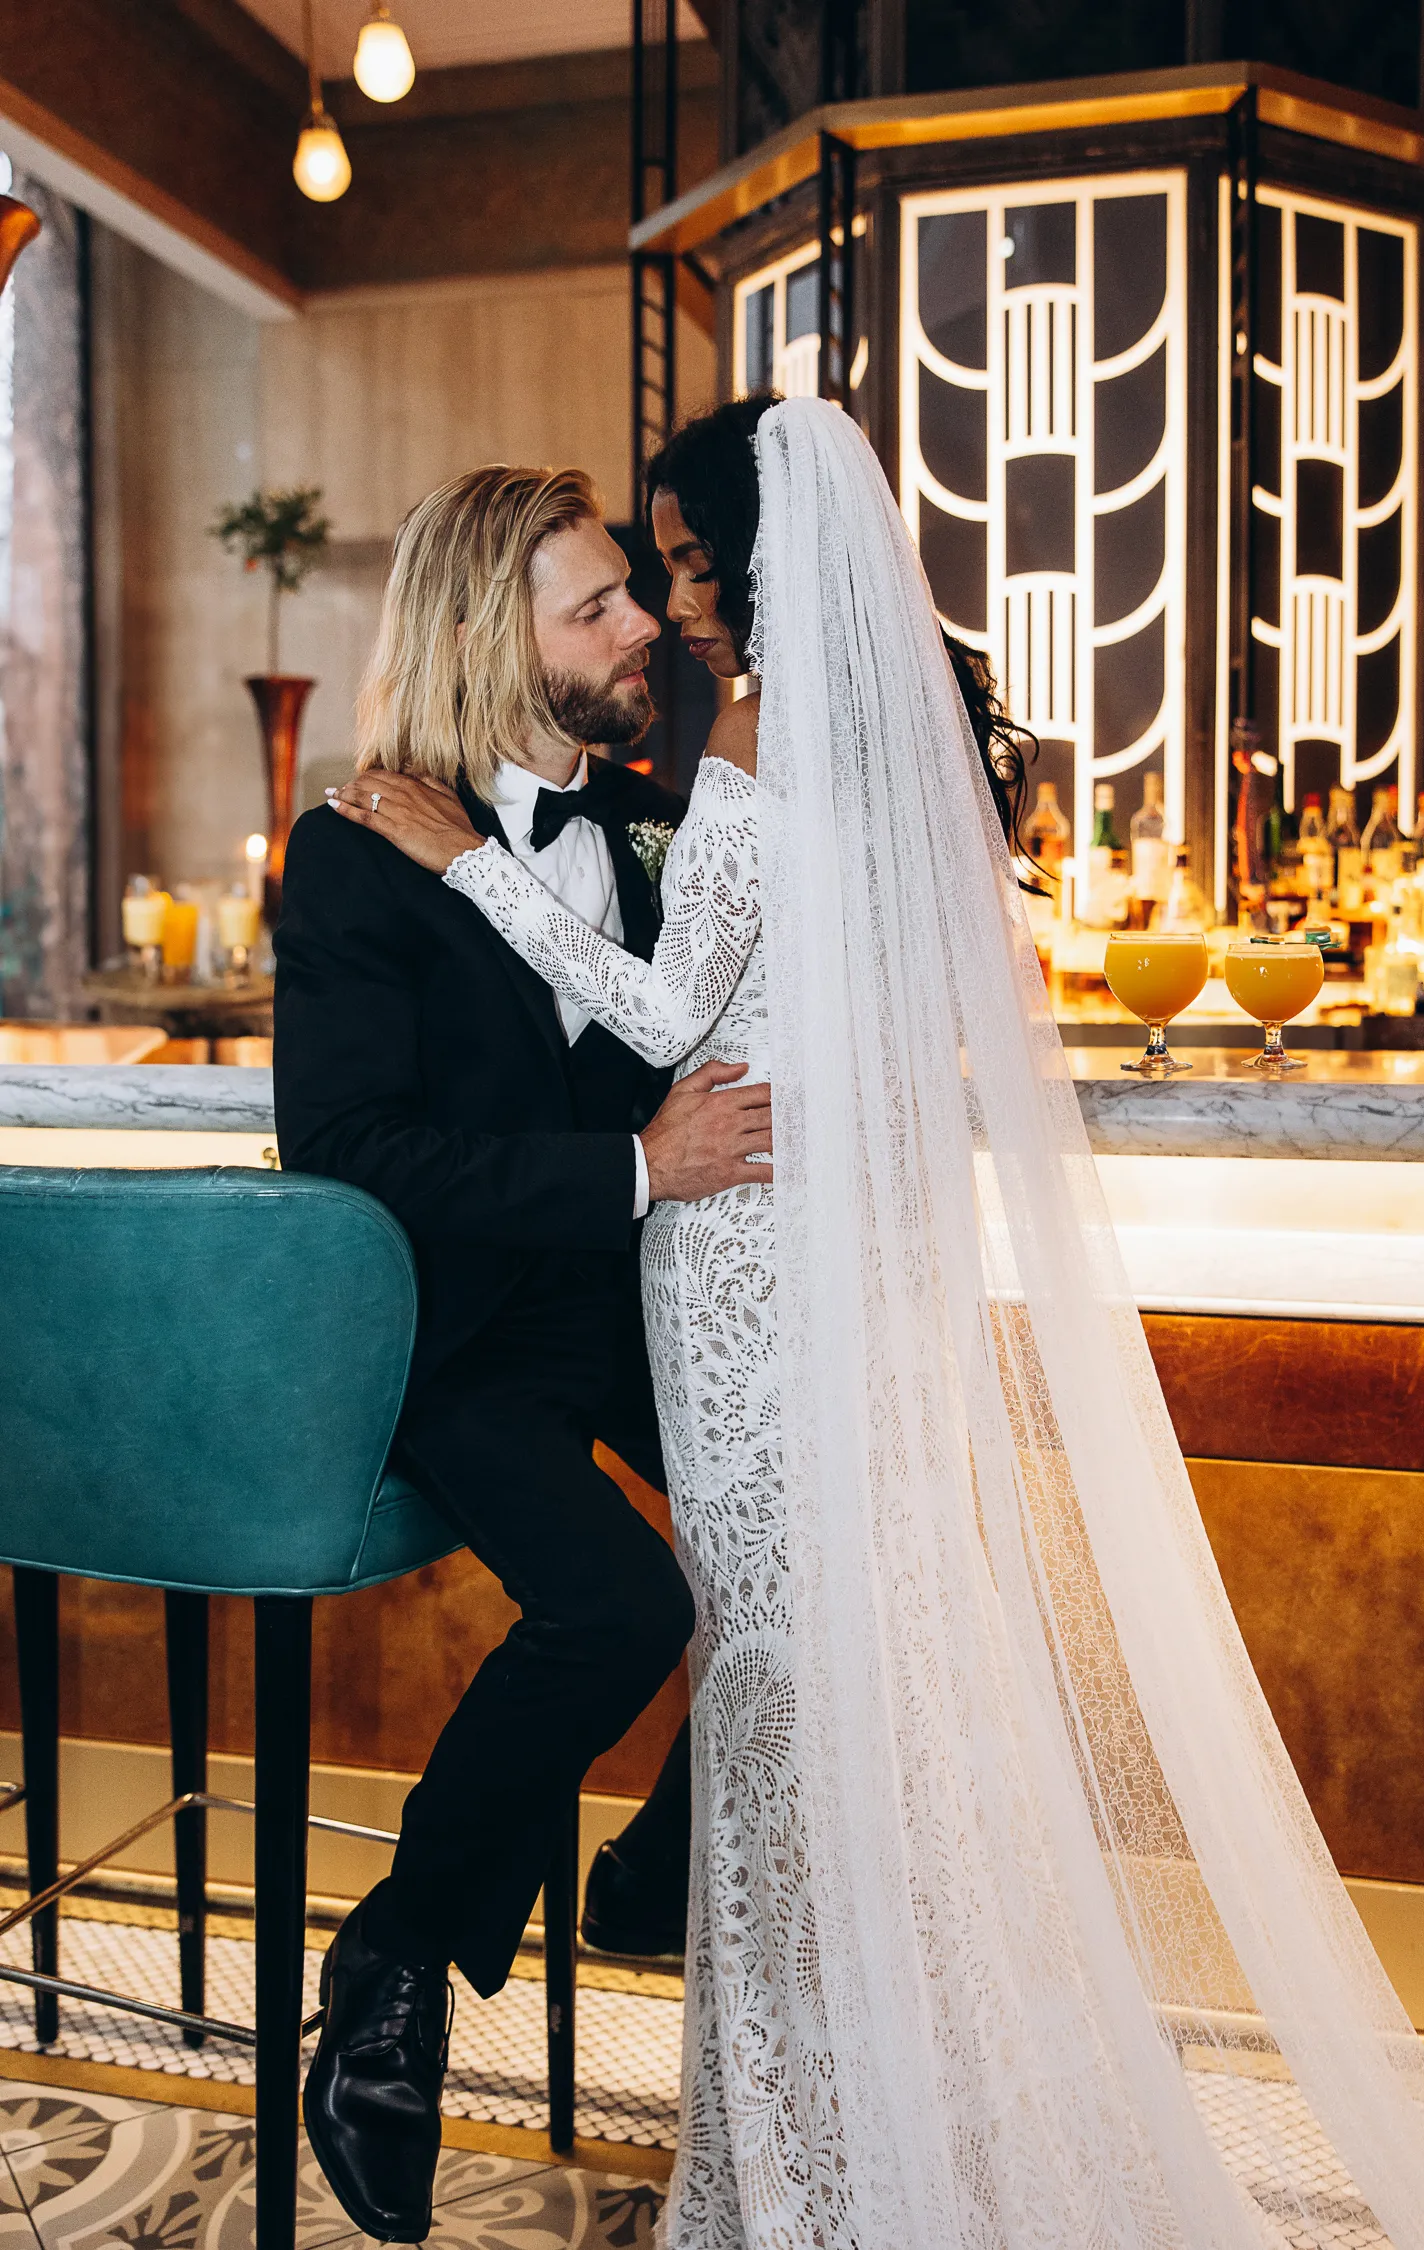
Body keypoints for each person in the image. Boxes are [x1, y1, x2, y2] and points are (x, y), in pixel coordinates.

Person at [330, 400, 1424, 2250]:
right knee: (792, 1630)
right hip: (689, 1287)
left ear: (752, 565)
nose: (662, 615)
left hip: (724, 1266)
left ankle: (798, 2121)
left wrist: (480, 874)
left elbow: (665, 1013)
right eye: (622, 591)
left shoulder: (723, 762)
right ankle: (713, 2036)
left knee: (782, 1641)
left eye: (676, 572)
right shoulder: (833, 750)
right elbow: (398, 1133)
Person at [273, 462, 773, 2245]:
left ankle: (645, 1871)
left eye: (637, 589)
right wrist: (635, 1166)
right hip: (462, 1334)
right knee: (625, 1606)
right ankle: (394, 1965)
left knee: (818, 1533)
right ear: (499, 635)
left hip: (633, 1305)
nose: (646, 625)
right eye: (599, 605)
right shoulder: (351, 853)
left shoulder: (658, 819)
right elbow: (349, 1153)